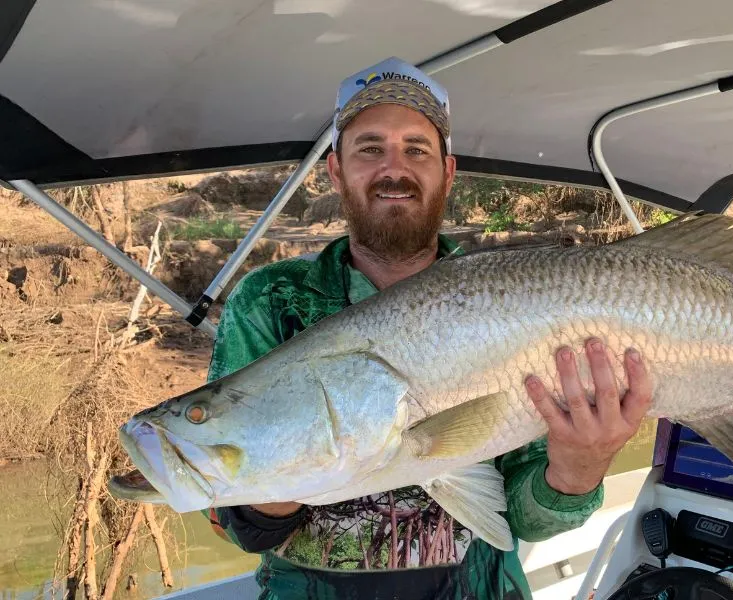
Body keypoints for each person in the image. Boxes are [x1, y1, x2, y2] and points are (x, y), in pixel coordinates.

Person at [201, 56, 653, 600]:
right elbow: (242, 527)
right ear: (337, 171)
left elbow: (528, 523)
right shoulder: (270, 301)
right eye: (370, 149)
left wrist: (581, 468)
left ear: (447, 170)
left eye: (416, 149)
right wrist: (270, 478)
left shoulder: (519, 297)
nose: (395, 168)